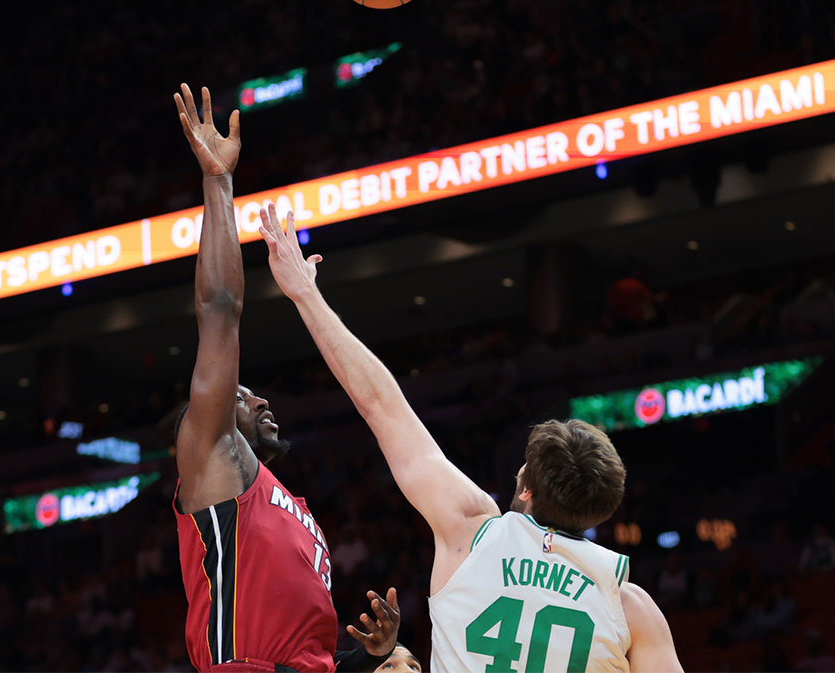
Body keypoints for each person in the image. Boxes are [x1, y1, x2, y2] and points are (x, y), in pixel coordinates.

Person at [257, 205, 684, 672]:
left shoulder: (470, 530)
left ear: (526, 490)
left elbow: (381, 406)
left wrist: (305, 295)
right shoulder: (631, 606)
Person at [168, 84, 398, 673]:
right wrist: (219, 183)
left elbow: (306, 651)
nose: (258, 396)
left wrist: (366, 655)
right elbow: (219, 308)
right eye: (241, 395)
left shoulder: (291, 506)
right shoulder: (213, 455)